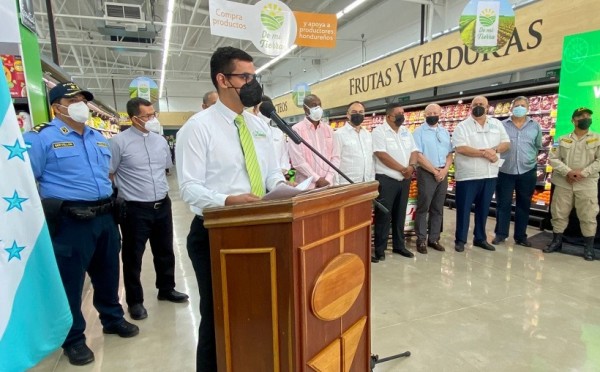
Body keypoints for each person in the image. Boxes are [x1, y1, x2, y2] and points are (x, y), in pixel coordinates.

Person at [176, 47, 286, 371]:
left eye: (255, 76)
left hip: (263, 230)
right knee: (218, 317)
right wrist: (227, 200)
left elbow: (272, 175)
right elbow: (189, 188)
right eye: (246, 77)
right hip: (215, 235)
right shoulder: (197, 128)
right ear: (223, 80)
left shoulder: (258, 126)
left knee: (257, 313)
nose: (254, 84)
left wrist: (292, 188)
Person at [24, 82, 138, 366]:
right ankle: (73, 339)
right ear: (56, 106)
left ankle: (112, 318)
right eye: (72, 99)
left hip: (105, 217)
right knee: (70, 283)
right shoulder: (40, 138)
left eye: (83, 99)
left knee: (108, 274)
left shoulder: (98, 137)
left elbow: (106, 176)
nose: (80, 104)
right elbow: (27, 181)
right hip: (70, 222)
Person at [109, 97, 189, 321]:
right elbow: (110, 172)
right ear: (134, 118)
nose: (153, 119)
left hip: (162, 204)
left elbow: (165, 169)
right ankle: (135, 301)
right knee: (133, 256)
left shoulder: (160, 141)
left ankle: (166, 288)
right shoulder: (118, 142)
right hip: (135, 208)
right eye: (147, 116)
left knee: (165, 250)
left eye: (154, 114)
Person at [452, 95, 510, 252]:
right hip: (468, 175)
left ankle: (480, 238)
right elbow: (461, 148)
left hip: (490, 174)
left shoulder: (496, 124)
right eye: (475, 104)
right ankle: (461, 240)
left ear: (487, 107)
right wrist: (485, 153)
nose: (478, 106)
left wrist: (495, 150)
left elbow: (506, 143)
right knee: (463, 209)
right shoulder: (462, 126)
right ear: (471, 107)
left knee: (483, 209)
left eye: (481, 104)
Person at [544, 107, 600, 261]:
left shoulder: (597, 138)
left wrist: (583, 173)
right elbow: (553, 159)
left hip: (587, 184)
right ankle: (556, 242)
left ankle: (588, 248)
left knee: (588, 215)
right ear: (573, 120)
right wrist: (568, 172)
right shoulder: (561, 139)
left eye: (588, 115)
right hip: (564, 183)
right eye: (581, 116)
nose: (585, 118)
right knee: (559, 214)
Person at [371, 102, 419, 262]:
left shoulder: (406, 131)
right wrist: (402, 169)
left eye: (403, 113)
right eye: (398, 114)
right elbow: (381, 154)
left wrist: (411, 166)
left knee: (400, 214)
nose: (402, 116)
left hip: (404, 180)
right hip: (387, 180)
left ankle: (399, 245)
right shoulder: (379, 132)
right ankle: (380, 249)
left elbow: (414, 151)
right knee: (384, 215)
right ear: (389, 116)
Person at [493, 96, 542, 247]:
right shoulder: (502, 125)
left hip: (527, 171)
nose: (519, 107)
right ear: (512, 107)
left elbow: (537, 145)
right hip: (505, 170)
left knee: (524, 204)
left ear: (528, 108)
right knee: (503, 203)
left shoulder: (535, 126)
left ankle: (521, 236)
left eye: (523, 105)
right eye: (517, 105)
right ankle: (501, 234)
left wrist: (529, 160)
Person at [412, 103, 453, 253]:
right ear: (424, 115)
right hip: (427, 173)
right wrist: (434, 171)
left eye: (435, 113)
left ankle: (434, 238)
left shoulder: (444, 132)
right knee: (424, 207)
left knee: (438, 208)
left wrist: (445, 170)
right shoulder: (418, 132)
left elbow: (449, 154)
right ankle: (421, 239)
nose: (432, 116)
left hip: (443, 173)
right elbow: (418, 155)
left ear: (440, 114)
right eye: (429, 114)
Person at [287, 94, 340, 189]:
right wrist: (317, 179)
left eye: (319, 105)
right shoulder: (296, 130)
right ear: (305, 108)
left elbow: (336, 157)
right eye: (313, 105)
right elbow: (298, 161)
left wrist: (328, 178)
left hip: (328, 185)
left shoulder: (329, 130)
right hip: (307, 186)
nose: (317, 108)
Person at [333, 100, 374, 185]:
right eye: (354, 112)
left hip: (366, 182)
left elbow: (371, 159)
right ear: (348, 115)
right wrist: (336, 185)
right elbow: (335, 161)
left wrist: (372, 180)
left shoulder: (368, 134)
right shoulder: (339, 134)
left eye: (361, 112)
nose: (358, 114)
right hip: (346, 184)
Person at [253, 95, 290, 174]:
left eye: (266, 110)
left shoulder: (278, 133)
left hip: (279, 177)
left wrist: (281, 172)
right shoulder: (250, 132)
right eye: (261, 109)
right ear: (254, 111)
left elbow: (284, 156)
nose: (264, 113)